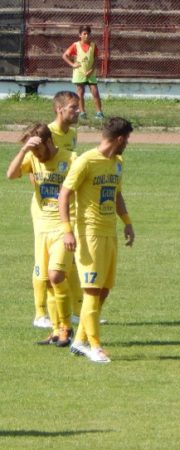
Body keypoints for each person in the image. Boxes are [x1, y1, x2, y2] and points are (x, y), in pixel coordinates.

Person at [59, 117, 136, 364]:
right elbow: (64, 194)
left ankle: (79, 341)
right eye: (128, 139)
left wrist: (127, 222)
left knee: (102, 291)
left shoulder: (118, 163)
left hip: (109, 233)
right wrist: (67, 230)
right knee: (91, 290)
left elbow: (116, 194)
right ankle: (95, 345)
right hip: (88, 234)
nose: (128, 144)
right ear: (120, 138)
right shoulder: (85, 161)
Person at [7, 124, 77, 347]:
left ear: (48, 142)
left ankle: (67, 327)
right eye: (32, 152)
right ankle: (56, 330)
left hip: (64, 227)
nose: (36, 156)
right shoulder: (32, 158)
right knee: (47, 281)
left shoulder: (71, 159)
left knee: (56, 276)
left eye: (37, 150)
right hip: (42, 228)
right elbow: (11, 174)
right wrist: (24, 150)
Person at [49, 91, 84, 323]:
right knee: (49, 266)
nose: (78, 111)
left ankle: (77, 311)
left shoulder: (72, 134)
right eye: (73, 107)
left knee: (69, 261)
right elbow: (36, 169)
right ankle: (43, 314)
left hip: (69, 201)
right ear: (59, 109)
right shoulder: (47, 133)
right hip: (50, 206)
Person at [61, 25, 103, 120]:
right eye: (84, 34)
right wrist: (72, 64)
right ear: (80, 35)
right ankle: (82, 112)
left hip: (91, 73)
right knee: (80, 92)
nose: (86, 36)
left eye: (88, 34)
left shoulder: (93, 45)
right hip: (79, 73)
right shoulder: (75, 45)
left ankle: (99, 112)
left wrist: (92, 69)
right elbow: (65, 55)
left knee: (95, 92)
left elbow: (96, 58)